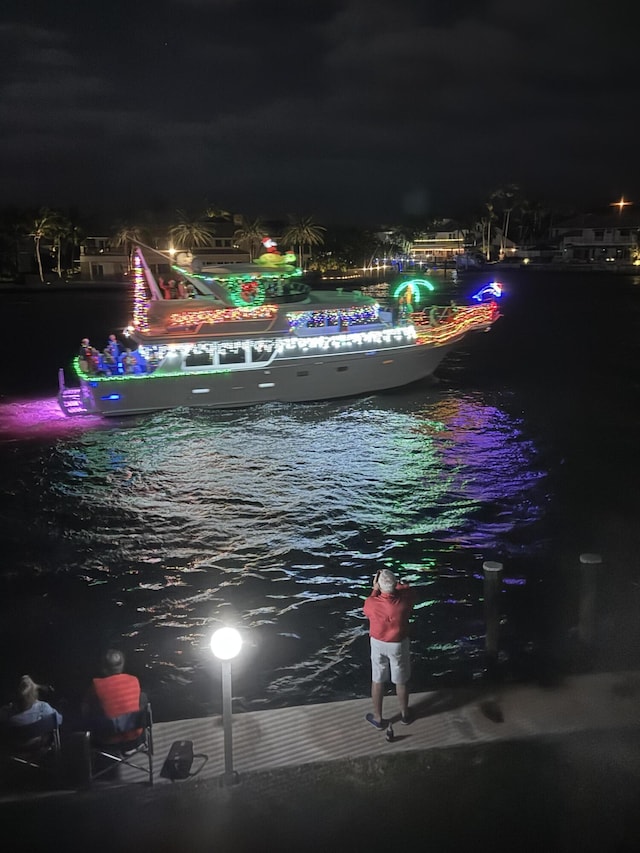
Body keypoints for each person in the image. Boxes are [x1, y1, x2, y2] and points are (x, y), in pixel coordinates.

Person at [363, 569, 416, 730]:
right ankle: (405, 714)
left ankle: (378, 718)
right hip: (398, 644)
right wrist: (398, 584)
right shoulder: (405, 601)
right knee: (401, 680)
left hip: (378, 644)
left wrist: (375, 588)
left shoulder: (371, 603)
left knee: (377, 679)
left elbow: (367, 608)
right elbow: (408, 589)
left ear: (378, 585)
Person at [82, 649, 145, 744]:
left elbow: (85, 709)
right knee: (142, 696)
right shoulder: (134, 680)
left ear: (104, 668)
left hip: (110, 741)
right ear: (122, 665)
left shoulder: (96, 684)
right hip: (136, 739)